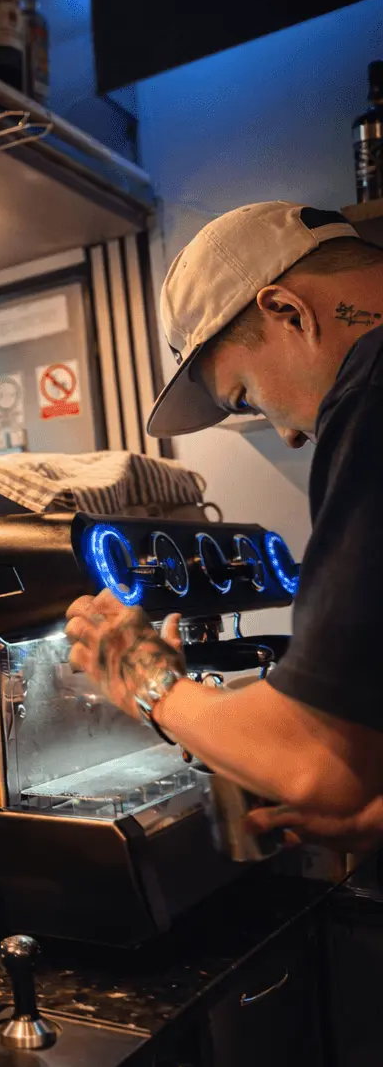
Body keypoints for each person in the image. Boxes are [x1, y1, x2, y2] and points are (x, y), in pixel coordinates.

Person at [64, 199, 383, 847]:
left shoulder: (371, 393)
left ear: (287, 311)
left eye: (247, 400)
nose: (290, 436)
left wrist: (148, 681)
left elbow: (318, 762)